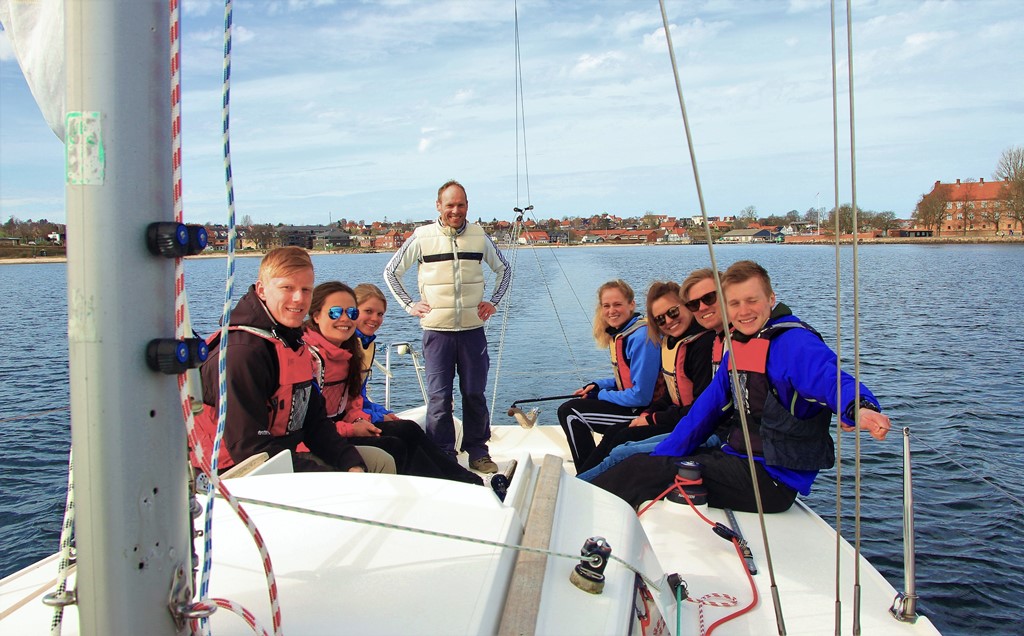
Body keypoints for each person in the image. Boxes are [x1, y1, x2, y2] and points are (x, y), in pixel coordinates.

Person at [591, 260, 892, 513]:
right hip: (736, 458)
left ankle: (584, 516)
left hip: (770, 480)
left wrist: (860, 408)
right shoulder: (740, 347)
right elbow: (704, 412)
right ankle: (585, 505)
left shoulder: (792, 343)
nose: (743, 311)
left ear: (771, 299)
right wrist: (663, 455)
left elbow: (831, 379)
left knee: (637, 472)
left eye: (752, 300)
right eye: (734, 303)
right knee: (639, 463)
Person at [190, 247, 393, 475]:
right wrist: (325, 475)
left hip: (283, 453)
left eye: (306, 290)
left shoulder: (292, 344)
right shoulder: (242, 353)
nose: (299, 298)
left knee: (378, 462)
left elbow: (315, 422)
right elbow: (248, 449)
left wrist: (350, 463)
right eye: (287, 288)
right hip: (237, 471)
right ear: (262, 290)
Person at [383, 180, 511, 474]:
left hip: (472, 331)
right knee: (440, 397)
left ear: (468, 206)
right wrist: (409, 305)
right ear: (438, 206)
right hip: (437, 332)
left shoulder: (479, 236)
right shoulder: (422, 236)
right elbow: (391, 272)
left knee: (474, 393)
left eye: (461, 204)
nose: (456, 210)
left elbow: (504, 270)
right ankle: (443, 454)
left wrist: (493, 302)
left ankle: (478, 451)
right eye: (450, 205)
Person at [303, 281, 482, 484]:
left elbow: (353, 401)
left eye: (351, 313)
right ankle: (447, 489)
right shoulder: (309, 357)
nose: (345, 319)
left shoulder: (348, 351)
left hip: (341, 426)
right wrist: (356, 425)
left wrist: (363, 418)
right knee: (394, 445)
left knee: (408, 429)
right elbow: (312, 424)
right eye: (335, 312)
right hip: (323, 438)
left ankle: (467, 482)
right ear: (316, 315)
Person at [575, 280, 714, 478]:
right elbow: (669, 392)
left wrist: (650, 417)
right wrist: (647, 414)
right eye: (659, 319)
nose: (668, 321)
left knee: (618, 443)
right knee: (614, 434)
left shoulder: (701, 345)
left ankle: (583, 484)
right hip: (674, 415)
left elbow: (699, 408)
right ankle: (581, 481)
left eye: (673, 312)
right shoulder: (672, 341)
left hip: (690, 423)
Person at [557, 279, 662, 473]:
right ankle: (592, 471)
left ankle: (587, 474)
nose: (612, 311)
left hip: (643, 410)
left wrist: (600, 395)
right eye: (606, 306)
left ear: (632, 305)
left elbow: (641, 395)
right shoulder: (623, 333)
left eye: (618, 304)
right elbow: (628, 378)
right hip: (633, 405)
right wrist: (598, 385)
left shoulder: (640, 337)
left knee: (572, 414)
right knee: (570, 410)